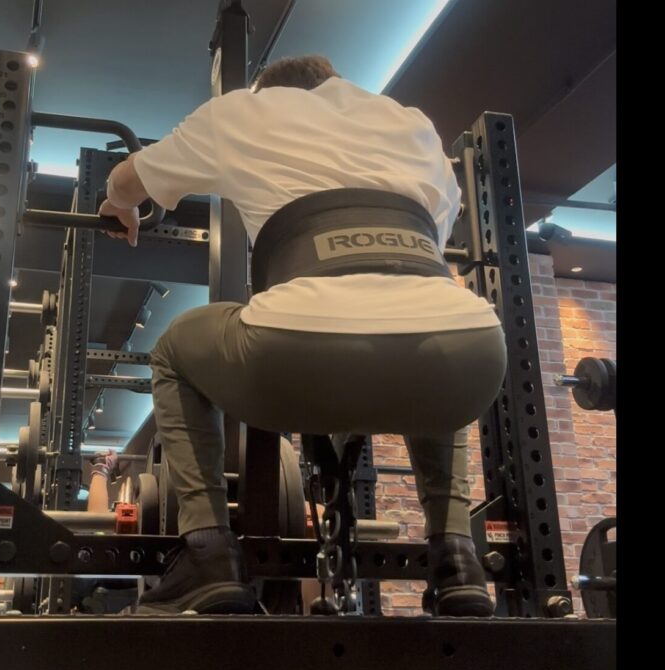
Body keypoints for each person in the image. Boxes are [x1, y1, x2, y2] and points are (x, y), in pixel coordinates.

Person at [97, 55, 506, 616]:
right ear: (332, 82)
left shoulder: (244, 112)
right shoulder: (410, 122)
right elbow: (437, 231)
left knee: (173, 348)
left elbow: (128, 179)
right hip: (476, 357)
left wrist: (117, 205)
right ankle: (456, 557)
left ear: (267, 90)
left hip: (294, 354)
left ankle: (207, 554)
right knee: (434, 323)